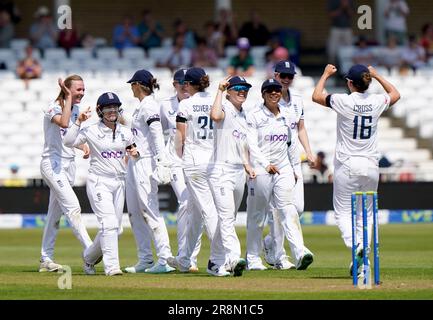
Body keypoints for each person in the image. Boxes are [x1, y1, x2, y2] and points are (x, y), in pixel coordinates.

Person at [312, 63, 400, 276]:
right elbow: (395, 94)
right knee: (367, 214)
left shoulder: (344, 100)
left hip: (348, 163)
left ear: (350, 83)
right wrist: (378, 74)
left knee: (342, 212)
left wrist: (324, 74)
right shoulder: (377, 101)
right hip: (371, 165)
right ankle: (364, 262)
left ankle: (357, 246)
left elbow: (316, 96)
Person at [64, 92, 138, 276]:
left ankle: (89, 258)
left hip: (119, 182)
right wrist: (78, 122)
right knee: (109, 224)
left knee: (116, 229)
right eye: (107, 108)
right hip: (99, 181)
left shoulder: (125, 132)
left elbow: (132, 150)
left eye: (115, 107)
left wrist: (135, 153)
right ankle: (112, 267)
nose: (112, 110)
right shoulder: (91, 131)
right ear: (100, 110)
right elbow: (68, 141)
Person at [246, 79, 314, 271]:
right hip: (260, 169)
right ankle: (252, 258)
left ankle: (298, 253)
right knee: (257, 215)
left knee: (286, 210)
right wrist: (265, 164)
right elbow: (251, 144)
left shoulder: (288, 114)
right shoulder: (254, 115)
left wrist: (294, 169)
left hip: (283, 168)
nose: (274, 94)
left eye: (277, 91)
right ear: (263, 94)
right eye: (270, 91)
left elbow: (291, 145)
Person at [209, 76, 269, 277]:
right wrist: (219, 90)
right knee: (226, 217)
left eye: (245, 88)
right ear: (229, 91)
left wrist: (248, 165)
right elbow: (215, 116)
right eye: (238, 88)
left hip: (237, 172)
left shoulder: (244, 115)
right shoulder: (224, 105)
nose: (242, 91)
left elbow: (242, 144)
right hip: (220, 170)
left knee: (228, 218)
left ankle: (214, 262)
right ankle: (233, 258)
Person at [171, 67, 225, 276]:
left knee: (207, 211)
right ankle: (185, 259)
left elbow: (180, 137)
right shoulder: (217, 100)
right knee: (194, 214)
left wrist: (178, 159)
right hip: (214, 162)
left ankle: (223, 259)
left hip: (194, 163)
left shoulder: (185, 104)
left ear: (188, 84)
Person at [262, 60, 315, 269]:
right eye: (282, 75)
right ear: (275, 76)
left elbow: (300, 128)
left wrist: (308, 152)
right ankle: (278, 256)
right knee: (279, 210)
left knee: (298, 208)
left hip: (293, 159)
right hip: (274, 161)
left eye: (289, 76)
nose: (285, 79)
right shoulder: (268, 100)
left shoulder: (298, 101)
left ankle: (269, 242)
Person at [39, 75, 93, 273]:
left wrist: (83, 146)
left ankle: (46, 258)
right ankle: (91, 250)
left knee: (54, 214)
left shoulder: (77, 110)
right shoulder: (52, 108)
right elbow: (63, 123)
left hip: (69, 166)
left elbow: (69, 138)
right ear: (67, 90)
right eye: (78, 89)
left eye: (83, 89)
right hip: (52, 165)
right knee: (73, 207)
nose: (82, 93)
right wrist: (68, 97)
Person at [123, 69, 175, 274]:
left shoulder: (150, 105)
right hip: (135, 162)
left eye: (132, 85)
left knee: (150, 211)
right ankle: (144, 258)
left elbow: (156, 134)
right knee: (135, 212)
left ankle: (164, 259)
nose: (131, 89)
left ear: (138, 85)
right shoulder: (142, 106)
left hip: (146, 163)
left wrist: (162, 160)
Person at [159, 69, 200, 272]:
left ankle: (189, 256)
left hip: (196, 160)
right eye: (180, 82)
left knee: (196, 206)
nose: (184, 85)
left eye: (187, 82)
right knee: (185, 202)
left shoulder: (198, 103)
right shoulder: (166, 105)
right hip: (175, 160)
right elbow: (158, 133)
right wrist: (161, 160)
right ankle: (185, 255)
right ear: (174, 84)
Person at [327, 0, 355, 64]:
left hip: (347, 28)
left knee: (349, 48)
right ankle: (332, 66)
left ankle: (348, 66)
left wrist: (347, 7)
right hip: (335, 28)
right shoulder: (333, 1)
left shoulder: (350, 1)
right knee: (332, 50)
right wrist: (341, 7)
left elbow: (352, 14)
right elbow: (331, 14)